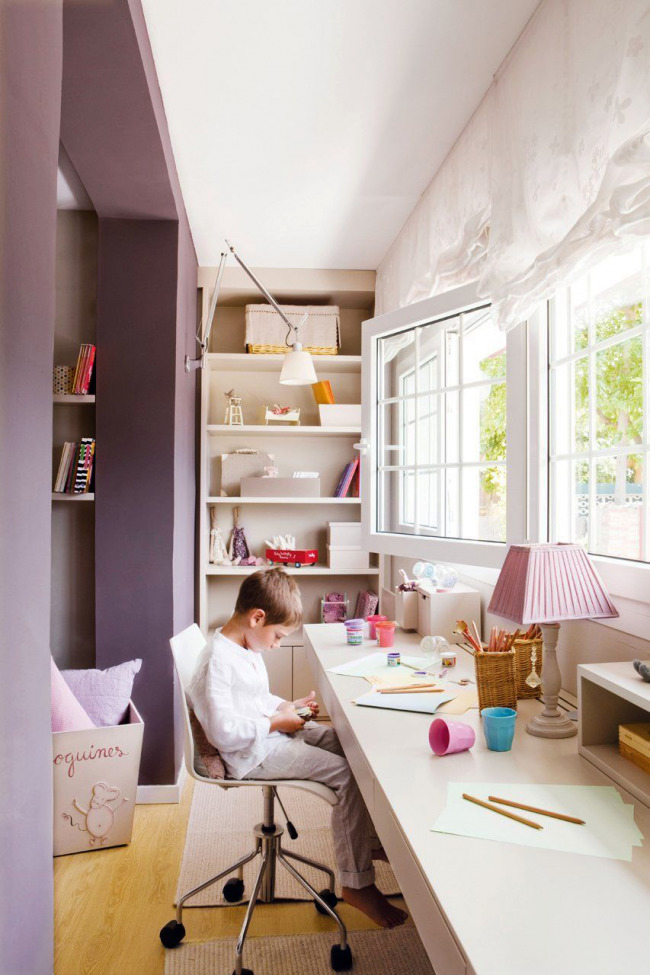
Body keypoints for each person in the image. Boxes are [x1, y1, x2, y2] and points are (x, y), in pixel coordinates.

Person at [187, 567, 407, 929]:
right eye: (277, 635)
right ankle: (356, 883)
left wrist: (287, 707)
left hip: (267, 736)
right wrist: (277, 722)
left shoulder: (242, 645)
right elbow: (223, 733)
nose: (277, 644)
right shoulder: (218, 662)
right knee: (344, 774)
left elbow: (255, 698)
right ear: (257, 618)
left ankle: (365, 842)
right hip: (251, 755)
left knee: (351, 745)